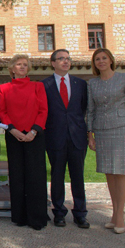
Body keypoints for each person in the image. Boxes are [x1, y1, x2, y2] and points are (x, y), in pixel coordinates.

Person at [87, 48, 125, 234]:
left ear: (111, 60)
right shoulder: (92, 83)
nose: (101, 61)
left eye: (104, 58)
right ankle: (115, 212)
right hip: (101, 130)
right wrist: (90, 135)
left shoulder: (124, 78)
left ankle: (119, 215)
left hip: (122, 128)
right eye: (97, 59)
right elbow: (91, 110)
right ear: (94, 64)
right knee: (108, 173)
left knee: (120, 172)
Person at [0, 54, 48, 231]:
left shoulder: (38, 86)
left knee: (36, 177)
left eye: (25, 65)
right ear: (12, 68)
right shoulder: (4, 88)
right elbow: (2, 111)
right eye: (18, 64)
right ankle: (19, 216)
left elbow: (43, 110)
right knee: (17, 176)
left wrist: (33, 131)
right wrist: (12, 130)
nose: (22, 67)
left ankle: (37, 217)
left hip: (34, 136)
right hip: (14, 135)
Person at [42, 49, 90, 229]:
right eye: (61, 59)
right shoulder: (44, 84)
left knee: (78, 176)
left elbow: (83, 108)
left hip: (77, 136)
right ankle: (59, 213)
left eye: (67, 59)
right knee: (57, 175)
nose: (65, 61)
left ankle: (80, 214)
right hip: (55, 136)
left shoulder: (80, 84)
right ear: (53, 63)